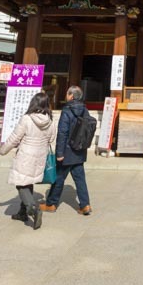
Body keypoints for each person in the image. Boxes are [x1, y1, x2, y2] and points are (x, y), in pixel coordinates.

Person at [0, 92, 56, 230]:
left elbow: (15, 137)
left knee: (21, 183)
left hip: (26, 154)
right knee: (28, 181)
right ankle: (22, 212)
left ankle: (33, 208)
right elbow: (52, 139)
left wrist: (4, 149)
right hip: (40, 155)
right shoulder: (50, 121)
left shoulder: (27, 119)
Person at [41, 86, 92, 215]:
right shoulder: (85, 110)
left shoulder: (67, 111)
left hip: (67, 152)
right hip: (79, 150)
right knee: (80, 180)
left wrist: (59, 153)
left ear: (71, 96)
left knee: (58, 178)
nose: (66, 95)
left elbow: (62, 133)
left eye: (67, 93)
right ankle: (85, 205)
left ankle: (51, 204)